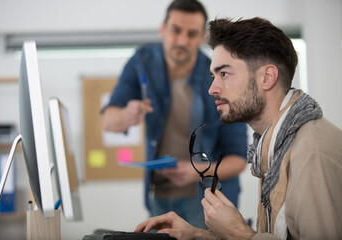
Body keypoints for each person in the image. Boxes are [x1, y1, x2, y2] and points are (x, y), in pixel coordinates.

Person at [134, 17, 342, 240]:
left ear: (267, 77)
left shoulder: (312, 152)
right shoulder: (276, 146)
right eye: (213, 76)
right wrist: (201, 236)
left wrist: (240, 233)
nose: (212, 89)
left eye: (224, 74)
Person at [101, 0, 247, 229]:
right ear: (163, 28)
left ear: (202, 38)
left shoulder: (219, 79)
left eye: (191, 34)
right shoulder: (142, 61)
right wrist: (127, 116)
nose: (181, 40)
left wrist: (195, 172)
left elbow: (238, 159)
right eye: (175, 30)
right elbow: (109, 121)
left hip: (209, 202)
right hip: (159, 196)